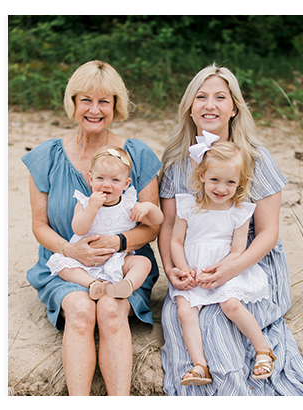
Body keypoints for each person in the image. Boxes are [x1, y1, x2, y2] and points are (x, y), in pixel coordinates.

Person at [157, 64, 303, 395]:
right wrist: (173, 269)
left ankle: (242, 390)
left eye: (220, 97)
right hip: (192, 265)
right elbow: (168, 230)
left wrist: (230, 268)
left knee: (220, 320)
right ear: (189, 107)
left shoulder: (256, 158)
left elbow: (268, 233)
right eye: (201, 97)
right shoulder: (177, 164)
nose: (210, 105)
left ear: (233, 107)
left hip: (249, 262)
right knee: (183, 317)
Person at [21, 60, 161, 395]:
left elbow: (152, 229)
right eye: (86, 100)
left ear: (116, 106)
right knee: (82, 311)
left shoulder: (137, 156)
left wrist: (118, 240)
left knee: (111, 311)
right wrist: (72, 250)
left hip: (122, 263)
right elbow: (39, 226)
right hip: (65, 265)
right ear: (73, 103)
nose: (94, 110)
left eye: (104, 101)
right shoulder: (46, 156)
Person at [168, 141, 272, 386]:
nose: (221, 188)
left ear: (240, 183)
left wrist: (220, 270)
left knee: (232, 306)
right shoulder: (188, 206)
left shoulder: (239, 211)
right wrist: (183, 268)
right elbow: (175, 241)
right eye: (215, 179)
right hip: (192, 272)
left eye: (230, 182)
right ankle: (199, 365)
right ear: (202, 176)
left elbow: (238, 250)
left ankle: (263, 350)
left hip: (224, 271)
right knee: (185, 311)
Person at [46, 146, 161, 300]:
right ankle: (93, 284)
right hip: (84, 260)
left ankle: (126, 285)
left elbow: (157, 221)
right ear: (91, 179)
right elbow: (78, 229)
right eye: (100, 178)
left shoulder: (129, 204)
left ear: (126, 184)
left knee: (143, 263)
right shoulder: (84, 203)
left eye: (115, 180)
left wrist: (148, 208)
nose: (107, 184)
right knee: (64, 267)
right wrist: (92, 208)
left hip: (117, 260)